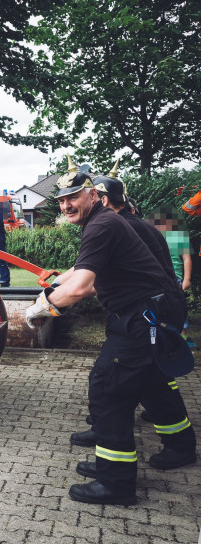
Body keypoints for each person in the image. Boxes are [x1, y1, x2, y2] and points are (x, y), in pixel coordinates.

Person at [26, 166, 197, 505]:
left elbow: (83, 286)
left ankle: (115, 482)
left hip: (140, 318)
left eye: (73, 197)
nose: (66, 206)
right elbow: (83, 276)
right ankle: (173, 448)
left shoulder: (102, 225)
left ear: (94, 195)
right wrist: (59, 286)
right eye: (61, 200)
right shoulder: (104, 222)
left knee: (108, 390)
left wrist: (42, 307)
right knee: (151, 383)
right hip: (145, 315)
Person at [148, 207, 195, 349]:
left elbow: (187, 258)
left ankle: (183, 338)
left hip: (175, 279)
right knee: (159, 309)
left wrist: (186, 279)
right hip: (159, 279)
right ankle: (164, 339)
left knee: (179, 310)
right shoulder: (154, 236)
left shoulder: (179, 236)